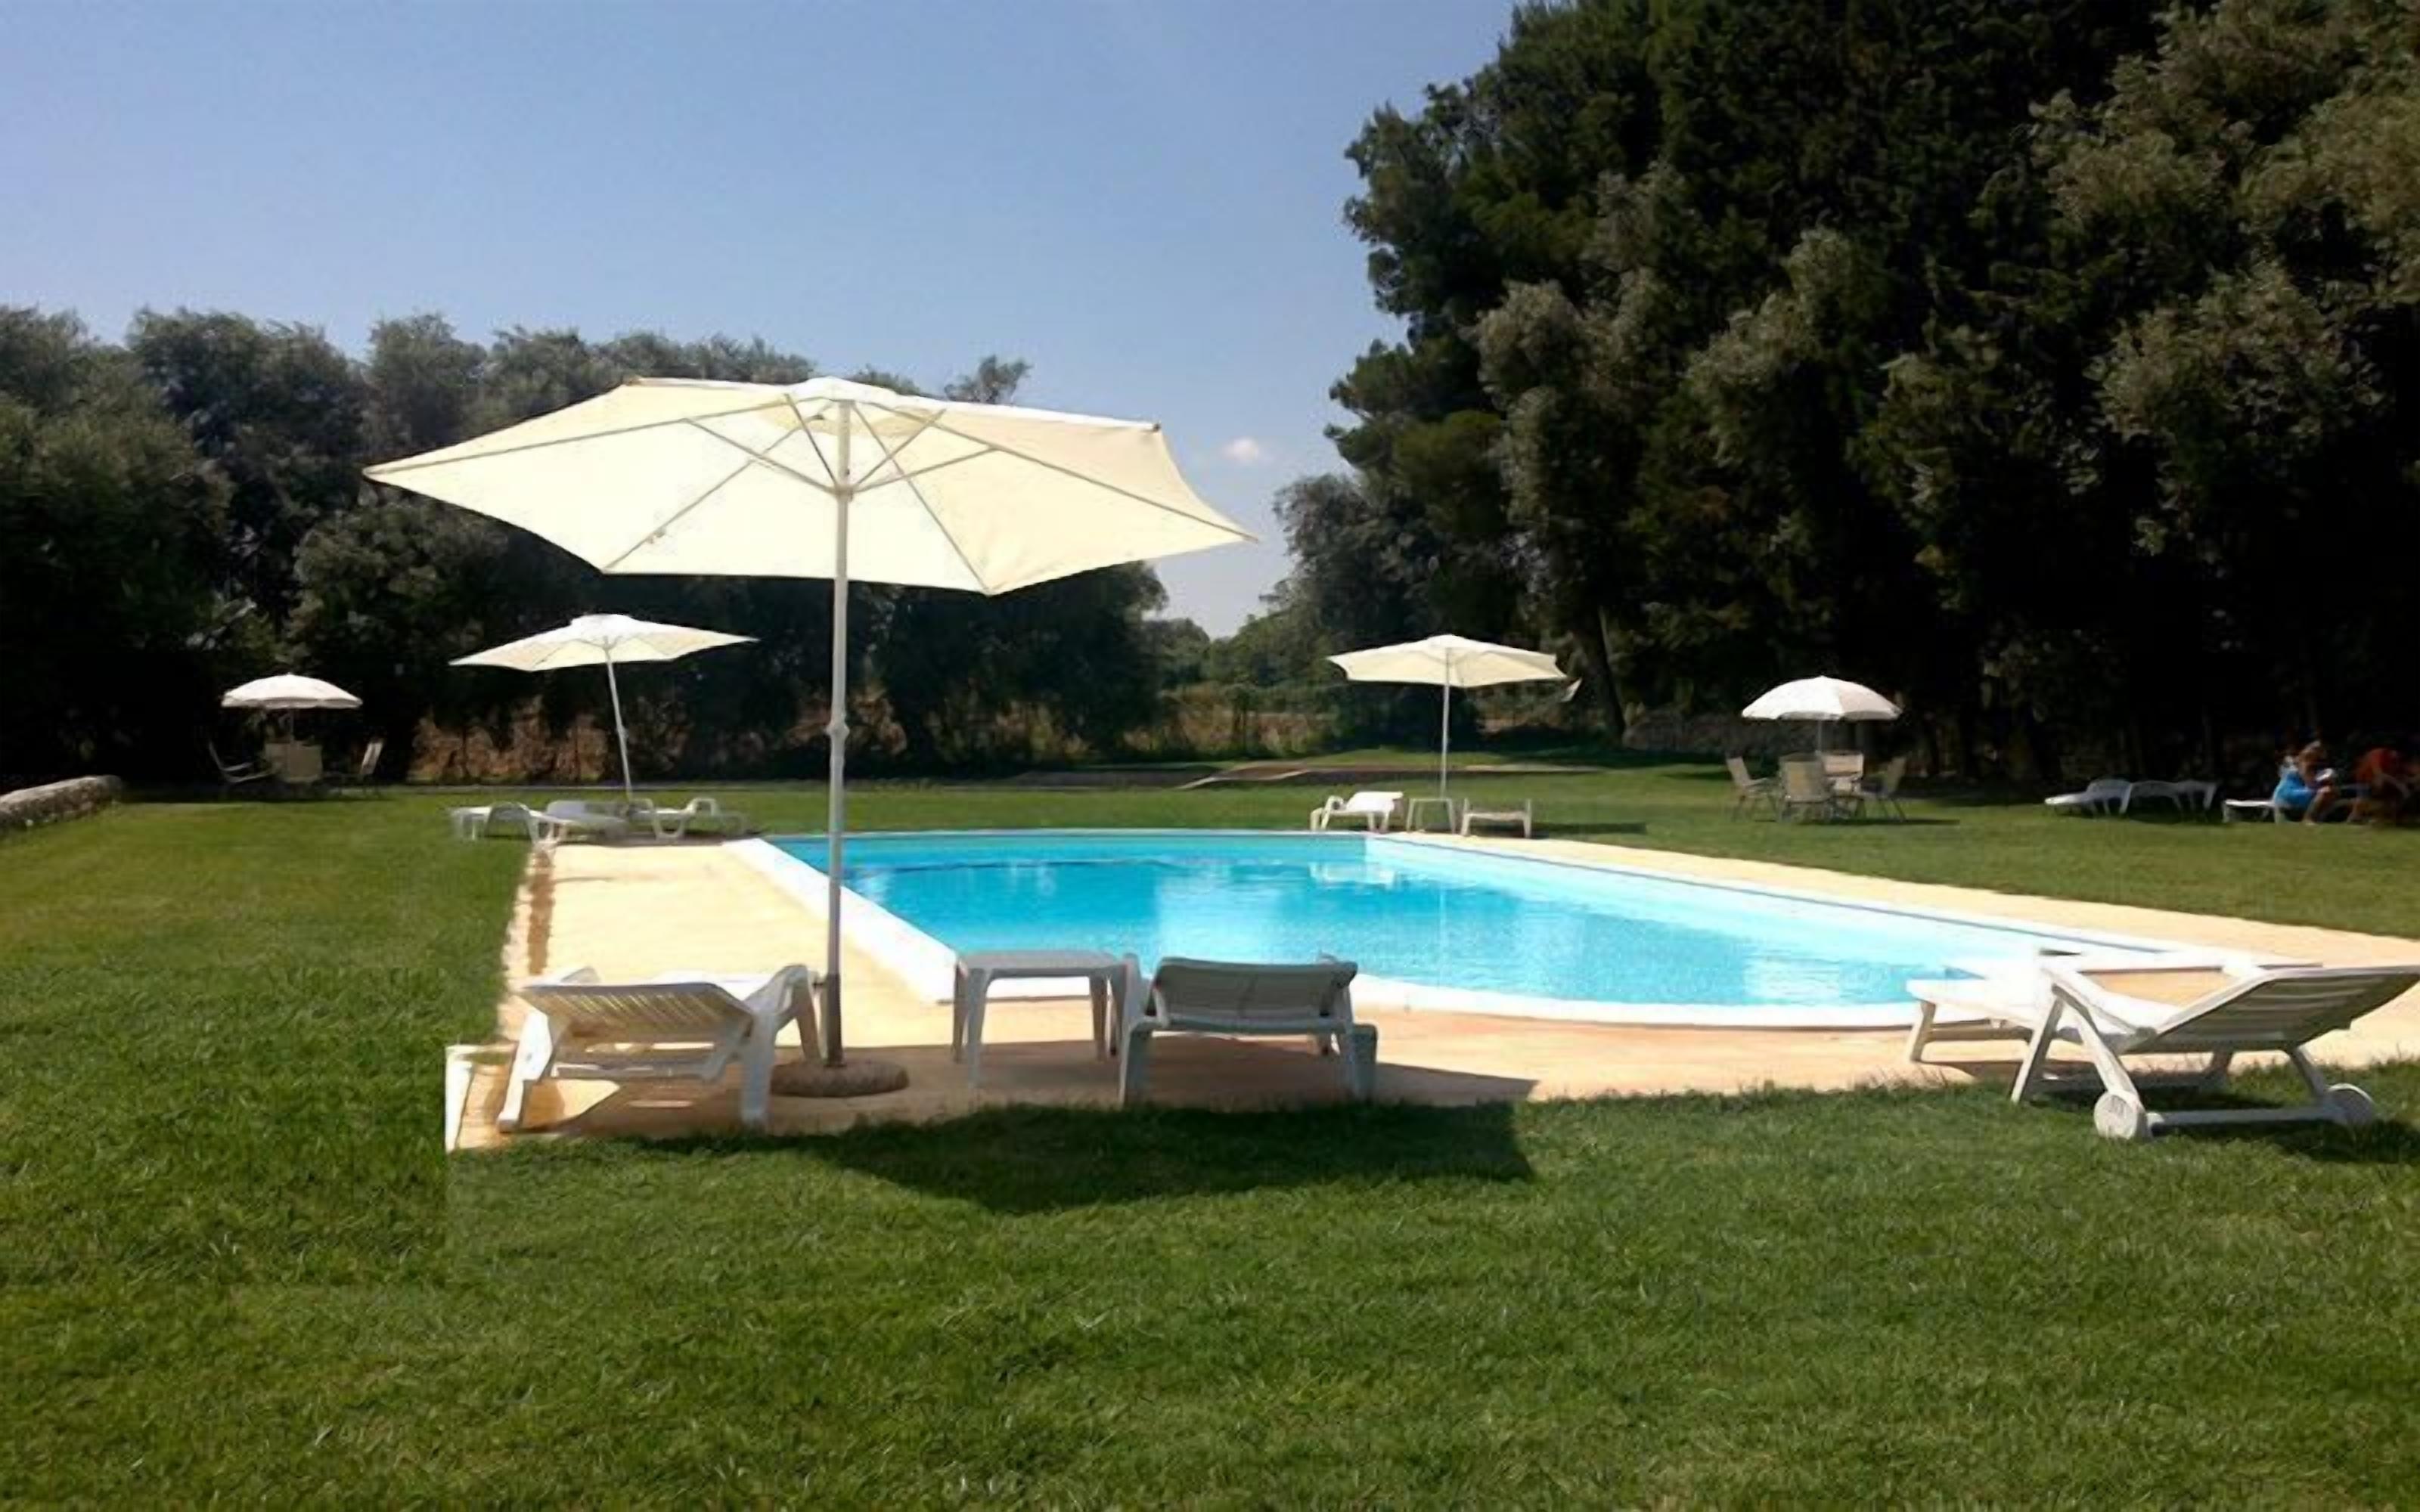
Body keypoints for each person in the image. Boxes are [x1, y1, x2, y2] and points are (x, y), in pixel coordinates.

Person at [2272, 741, 2341, 823]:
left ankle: (2317, 820)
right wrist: (2323, 781)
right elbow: (2310, 783)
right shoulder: (2305, 759)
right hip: (2288, 793)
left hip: (2293, 791)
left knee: (2332, 792)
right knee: (2327, 792)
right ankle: (2308, 818)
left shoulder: (2308, 761)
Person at [2352, 740, 2411, 824]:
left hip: (2380, 782)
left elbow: (2399, 775)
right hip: (2365, 779)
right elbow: (2379, 774)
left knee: (2391, 790)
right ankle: (2356, 816)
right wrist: (2401, 786)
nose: (2398, 757)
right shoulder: (2377, 754)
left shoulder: (2396, 760)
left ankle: (2387, 816)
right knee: (2379, 782)